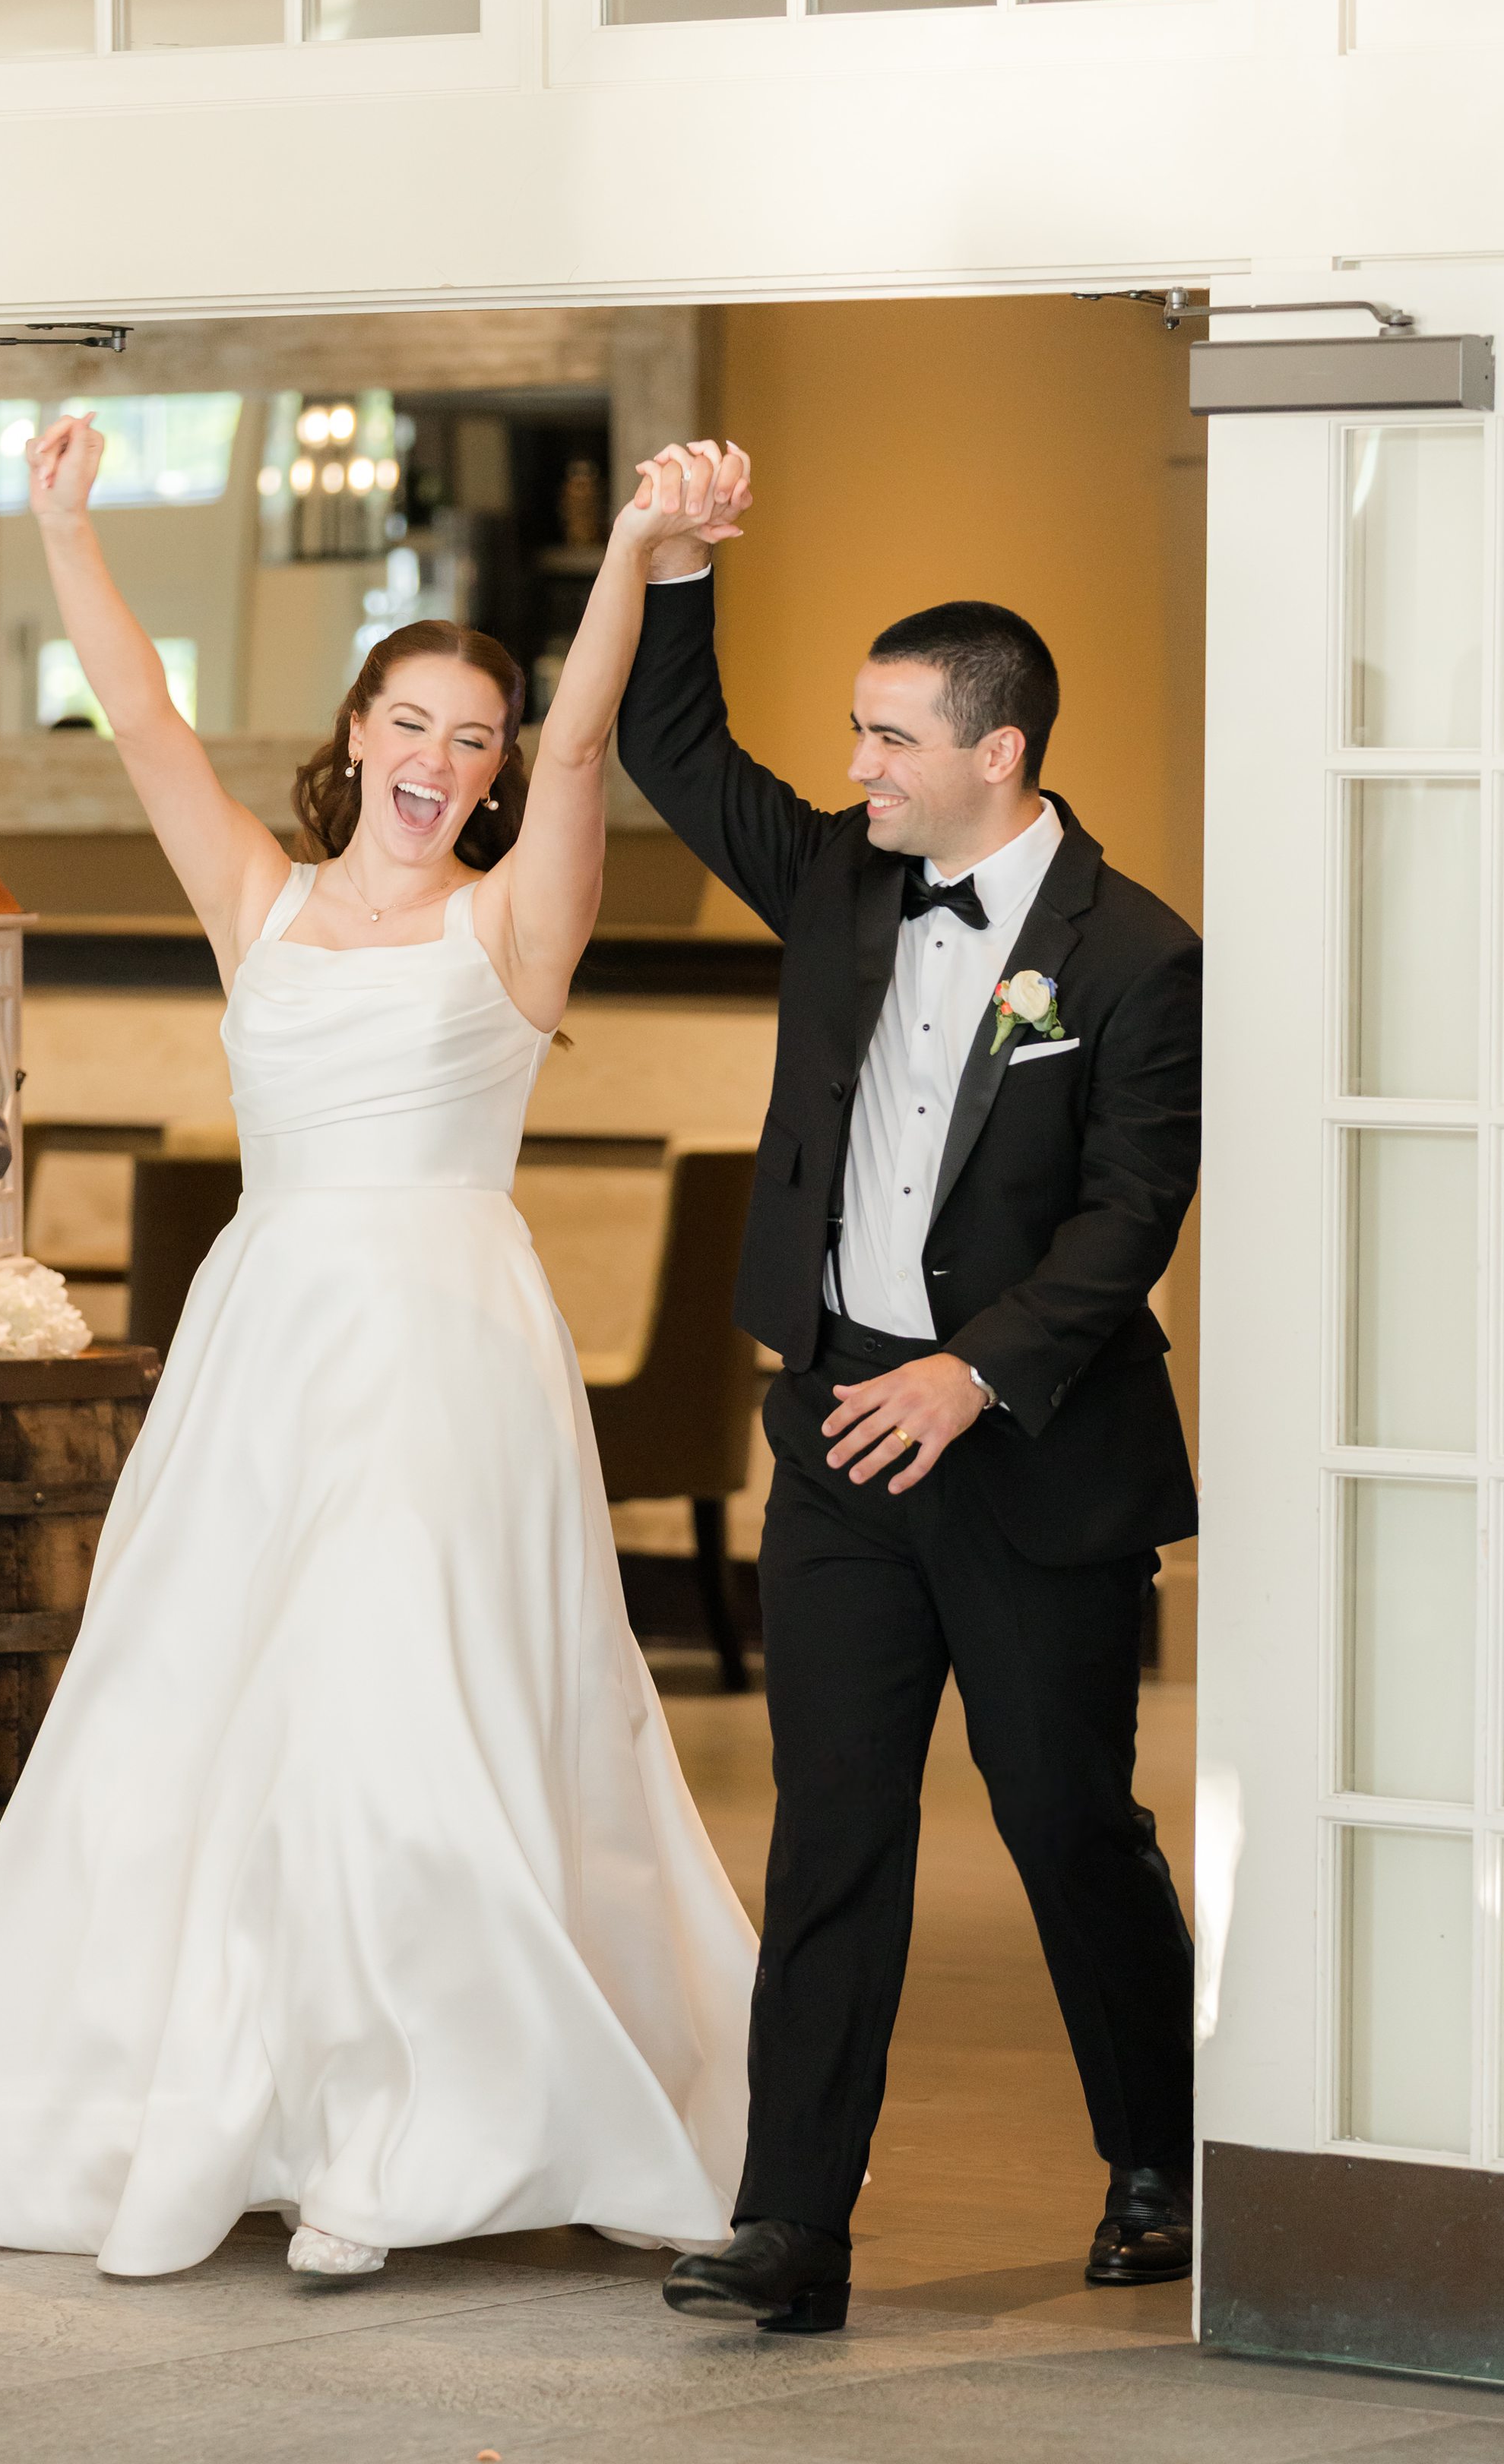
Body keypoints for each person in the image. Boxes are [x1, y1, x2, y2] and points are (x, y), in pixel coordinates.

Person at [0, 422, 759, 2281]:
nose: (444, 764)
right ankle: (238, 2106)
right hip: (265, 1351)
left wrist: (640, 560)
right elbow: (138, 725)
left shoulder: (517, 923)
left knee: (394, 1726)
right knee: (204, 1718)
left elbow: (593, 734)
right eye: (415, 725)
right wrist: (59, 525)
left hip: (444, 1357)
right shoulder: (258, 904)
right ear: (358, 730)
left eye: (476, 739)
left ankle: (394, 2144)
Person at [615, 461, 1198, 2336]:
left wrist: (976, 1374)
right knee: (834, 1829)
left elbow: (1130, 1222)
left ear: (998, 753)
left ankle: (1164, 2158)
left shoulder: (1140, 958)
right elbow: (672, 747)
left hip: (1033, 1458)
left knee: (1064, 1822)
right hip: (838, 1442)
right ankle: (795, 2228)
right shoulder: (846, 884)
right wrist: (676, 564)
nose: (855, 763)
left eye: (888, 736)